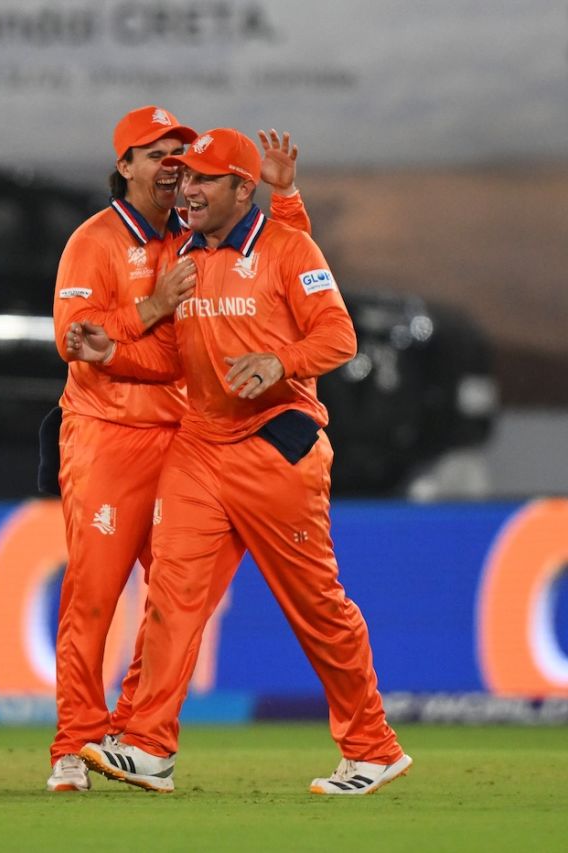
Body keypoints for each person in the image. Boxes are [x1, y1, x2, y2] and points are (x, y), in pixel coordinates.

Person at [66, 128, 411, 795]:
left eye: (202, 179)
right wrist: (111, 353)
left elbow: (339, 335)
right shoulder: (184, 258)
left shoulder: (288, 248)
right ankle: (148, 745)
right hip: (199, 443)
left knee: (315, 605)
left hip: (276, 445)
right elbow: (171, 359)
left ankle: (372, 746)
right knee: (171, 596)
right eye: (183, 177)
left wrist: (281, 361)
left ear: (241, 189)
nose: (186, 190)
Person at [45, 107, 312, 793]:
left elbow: (278, 267)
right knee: (95, 597)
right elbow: (74, 337)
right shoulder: (94, 241)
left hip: (190, 440)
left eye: (179, 154)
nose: (171, 165)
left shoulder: (198, 234)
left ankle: (132, 732)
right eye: (154, 152)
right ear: (125, 165)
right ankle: (73, 742)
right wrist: (151, 307)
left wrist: (285, 195)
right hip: (109, 437)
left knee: (175, 599)